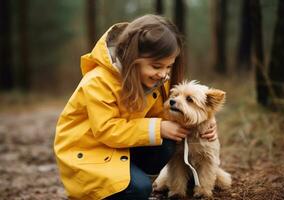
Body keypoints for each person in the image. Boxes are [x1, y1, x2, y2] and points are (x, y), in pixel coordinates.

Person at [54, 14, 217, 200]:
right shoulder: (98, 82)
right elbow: (106, 130)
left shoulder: (154, 79)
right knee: (138, 189)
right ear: (132, 57)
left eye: (168, 67)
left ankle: (132, 179)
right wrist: (158, 128)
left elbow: (167, 115)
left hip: (121, 148)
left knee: (167, 141)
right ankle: (123, 187)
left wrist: (206, 123)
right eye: (157, 66)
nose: (163, 74)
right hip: (89, 155)